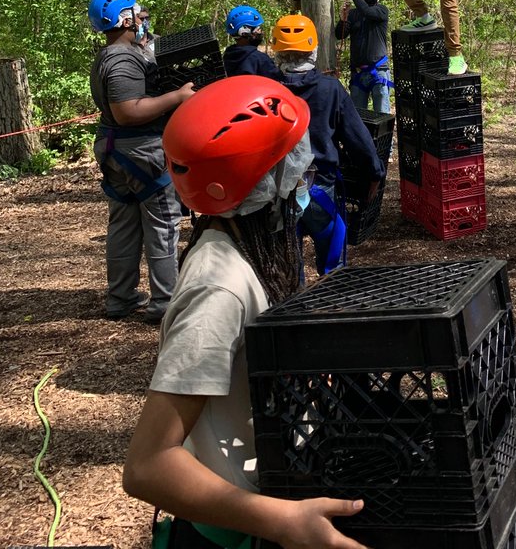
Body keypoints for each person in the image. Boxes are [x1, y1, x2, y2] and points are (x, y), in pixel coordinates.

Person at [122, 74, 368, 549]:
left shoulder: (256, 244)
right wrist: (281, 522)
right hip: (238, 528)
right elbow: (148, 466)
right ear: (259, 183)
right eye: (294, 163)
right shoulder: (220, 289)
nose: (306, 174)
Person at [88, 0, 194, 323]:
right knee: (162, 225)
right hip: (140, 152)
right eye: (137, 15)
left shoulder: (115, 53)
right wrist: (177, 97)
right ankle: (165, 302)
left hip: (117, 152)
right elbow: (127, 111)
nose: (142, 20)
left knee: (124, 225)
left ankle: (121, 298)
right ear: (125, 19)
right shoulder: (121, 59)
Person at [271, 13, 385, 276]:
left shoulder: (265, 90)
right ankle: (331, 305)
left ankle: (294, 308)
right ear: (313, 49)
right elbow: (358, 139)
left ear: (277, 50)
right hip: (320, 187)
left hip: (277, 191)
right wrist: (374, 173)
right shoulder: (330, 89)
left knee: (289, 265)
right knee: (332, 264)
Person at [334, 0, 391, 115]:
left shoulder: (381, 10)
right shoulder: (354, 14)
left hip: (379, 70)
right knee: (358, 116)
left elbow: (367, 11)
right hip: (359, 72)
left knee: (382, 114)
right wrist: (344, 18)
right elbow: (339, 35)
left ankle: (383, 138)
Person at [223, 6, 281, 80]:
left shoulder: (227, 57)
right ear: (244, 32)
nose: (261, 32)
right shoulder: (261, 60)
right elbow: (278, 83)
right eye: (258, 29)